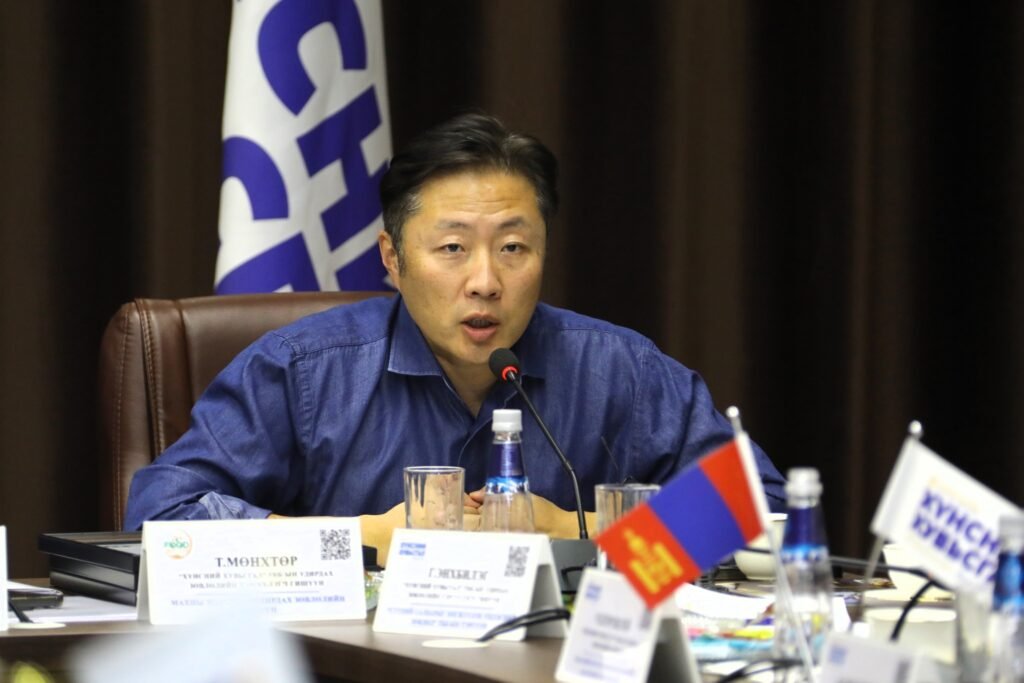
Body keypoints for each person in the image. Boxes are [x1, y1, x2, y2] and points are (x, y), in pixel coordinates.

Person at [125, 113, 785, 562]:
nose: (486, 281)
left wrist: (577, 528)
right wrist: (363, 538)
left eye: (514, 247)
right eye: (452, 248)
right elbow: (160, 518)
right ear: (392, 259)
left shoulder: (619, 369)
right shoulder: (304, 371)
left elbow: (767, 512)